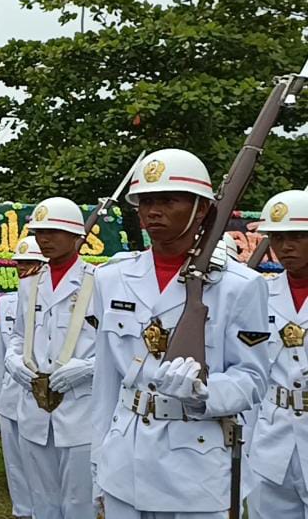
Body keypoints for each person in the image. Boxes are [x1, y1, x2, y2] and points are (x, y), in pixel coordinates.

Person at [90, 149, 269, 518]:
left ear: (201, 209)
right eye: (146, 201)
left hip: (196, 463)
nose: (153, 211)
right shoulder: (112, 277)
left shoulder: (238, 285)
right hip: (125, 460)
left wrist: (207, 391)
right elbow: (106, 382)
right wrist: (98, 465)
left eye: (168, 200)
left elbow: (252, 377)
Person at [5, 197, 97, 519]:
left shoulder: (99, 282)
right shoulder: (30, 283)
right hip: (34, 408)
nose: (44, 238)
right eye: (40, 231)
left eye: (54, 231)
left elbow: (116, 348)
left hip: (79, 408)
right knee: (41, 503)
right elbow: (18, 335)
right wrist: (14, 361)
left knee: (78, 504)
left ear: (77, 237)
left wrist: (87, 368)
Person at [247, 189, 308, 518]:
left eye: (298, 236)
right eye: (278, 237)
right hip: (273, 436)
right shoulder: (260, 293)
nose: (286, 247)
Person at [0, 235, 45, 519]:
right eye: (20, 264)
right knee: (15, 466)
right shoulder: (7, 303)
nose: (24, 270)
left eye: (32, 264)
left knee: (41, 466)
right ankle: (22, 512)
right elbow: (0, 354)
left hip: (43, 400)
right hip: (12, 397)